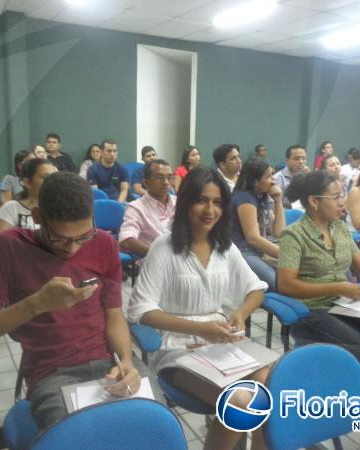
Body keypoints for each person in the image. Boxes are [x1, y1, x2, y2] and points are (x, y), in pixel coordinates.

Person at [0, 172, 158, 430]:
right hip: (52, 372)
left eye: (82, 237)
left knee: (153, 427)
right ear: (38, 217)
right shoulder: (6, 247)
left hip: (110, 361)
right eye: (61, 238)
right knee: (81, 437)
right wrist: (36, 303)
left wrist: (127, 361)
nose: (72, 248)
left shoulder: (104, 244)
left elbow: (114, 316)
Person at [128, 167, 269, 450]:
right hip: (176, 348)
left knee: (270, 389)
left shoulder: (224, 247)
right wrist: (200, 329)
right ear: (186, 202)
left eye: (218, 202)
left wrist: (240, 314)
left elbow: (256, 289)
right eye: (202, 200)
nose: (210, 210)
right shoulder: (164, 247)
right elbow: (139, 311)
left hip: (222, 343)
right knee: (240, 403)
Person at [276, 170, 360, 450]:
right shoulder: (294, 235)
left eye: (343, 194)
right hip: (313, 313)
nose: (343, 202)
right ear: (314, 201)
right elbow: (286, 285)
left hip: (347, 304)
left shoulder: (340, 228)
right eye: (337, 196)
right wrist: (337, 287)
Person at [230, 156, 285, 291]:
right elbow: (252, 238)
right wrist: (286, 255)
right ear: (255, 181)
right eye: (269, 176)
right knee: (281, 285)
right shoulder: (245, 198)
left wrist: (278, 200)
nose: (273, 180)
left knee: (291, 276)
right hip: (241, 253)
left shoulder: (262, 197)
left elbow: (278, 232)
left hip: (256, 252)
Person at [119, 159, 176, 257]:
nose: (166, 182)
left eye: (170, 177)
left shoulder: (179, 203)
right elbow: (126, 240)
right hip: (154, 263)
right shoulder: (136, 208)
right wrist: (157, 256)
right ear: (145, 182)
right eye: (159, 177)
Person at [0, 158, 57, 232]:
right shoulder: (11, 208)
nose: (53, 181)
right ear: (27, 182)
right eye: (46, 177)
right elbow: (1, 242)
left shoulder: (59, 208)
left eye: (54, 177)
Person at [273, 144, 307, 208]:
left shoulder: (306, 177)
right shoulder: (277, 178)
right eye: (296, 159)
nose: (301, 162)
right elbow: (277, 204)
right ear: (287, 160)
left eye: (303, 158)